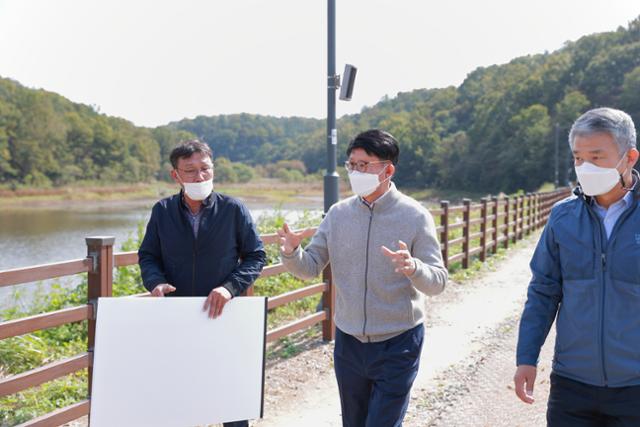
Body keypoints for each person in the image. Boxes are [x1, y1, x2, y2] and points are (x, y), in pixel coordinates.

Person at [278, 129, 448, 427]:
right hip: (349, 340)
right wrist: (293, 251)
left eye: (364, 165)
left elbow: (438, 281)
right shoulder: (338, 214)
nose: (356, 172)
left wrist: (413, 268)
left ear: (388, 169)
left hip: (399, 340)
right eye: (352, 165)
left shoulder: (415, 216)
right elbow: (311, 266)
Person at [514, 108, 640, 426]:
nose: (585, 167)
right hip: (572, 387)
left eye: (597, 157)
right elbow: (543, 291)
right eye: (578, 158)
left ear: (630, 157)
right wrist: (526, 358)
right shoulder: (562, 217)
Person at [138, 139, 266, 427]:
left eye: (205, 169)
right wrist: (155, 282)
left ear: (214, 169)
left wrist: (229, 288)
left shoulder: (234, 209)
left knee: (229, 395)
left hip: (223, 313)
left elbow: (256, 256)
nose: (200, 176)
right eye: (191, 171)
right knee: (178, 392)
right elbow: (148, 255)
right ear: (176, 175)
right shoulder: (162, 211)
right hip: (177, 316)